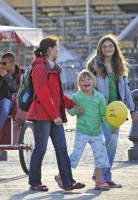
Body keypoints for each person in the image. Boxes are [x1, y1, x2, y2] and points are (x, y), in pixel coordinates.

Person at [27, 35, 85, 191]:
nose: (58, 50)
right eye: (56, 47)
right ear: (49, 50)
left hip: (53, 114)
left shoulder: (52, 66)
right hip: (42, 114)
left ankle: (68, 182)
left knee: (61, 148)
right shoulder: (39, 67)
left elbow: (57, 94)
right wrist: (55, 115)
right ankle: (34, 182)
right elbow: (43, 94)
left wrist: (73, 104)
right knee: (41, 148)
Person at [86, 34, 138, 188]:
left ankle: (104, 176)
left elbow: (127, 90)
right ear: (100, 49)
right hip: (101, 110)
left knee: (112, 143)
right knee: (111, 141)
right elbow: (87, 87)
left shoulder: (119, 66)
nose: (107, 48)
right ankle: (100, 175)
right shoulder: (94, 65)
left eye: (110, 46)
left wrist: (132, 110)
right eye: (104, 46)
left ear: (115, 48)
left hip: (118, 110)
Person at [56, 69, 113, 191]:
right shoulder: (77, 97)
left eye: (88, 79)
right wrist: (76, 111)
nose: (86, 81)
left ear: (94, 82)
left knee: (101, 156)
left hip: (97, 133)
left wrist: (110, 127)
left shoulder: (100, 97)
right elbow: (70, 111)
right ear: (79, 84)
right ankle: (61, 176)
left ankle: (99, 181)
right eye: (82, 80)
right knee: (75, 156)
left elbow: (104, 115)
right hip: (82, 132)